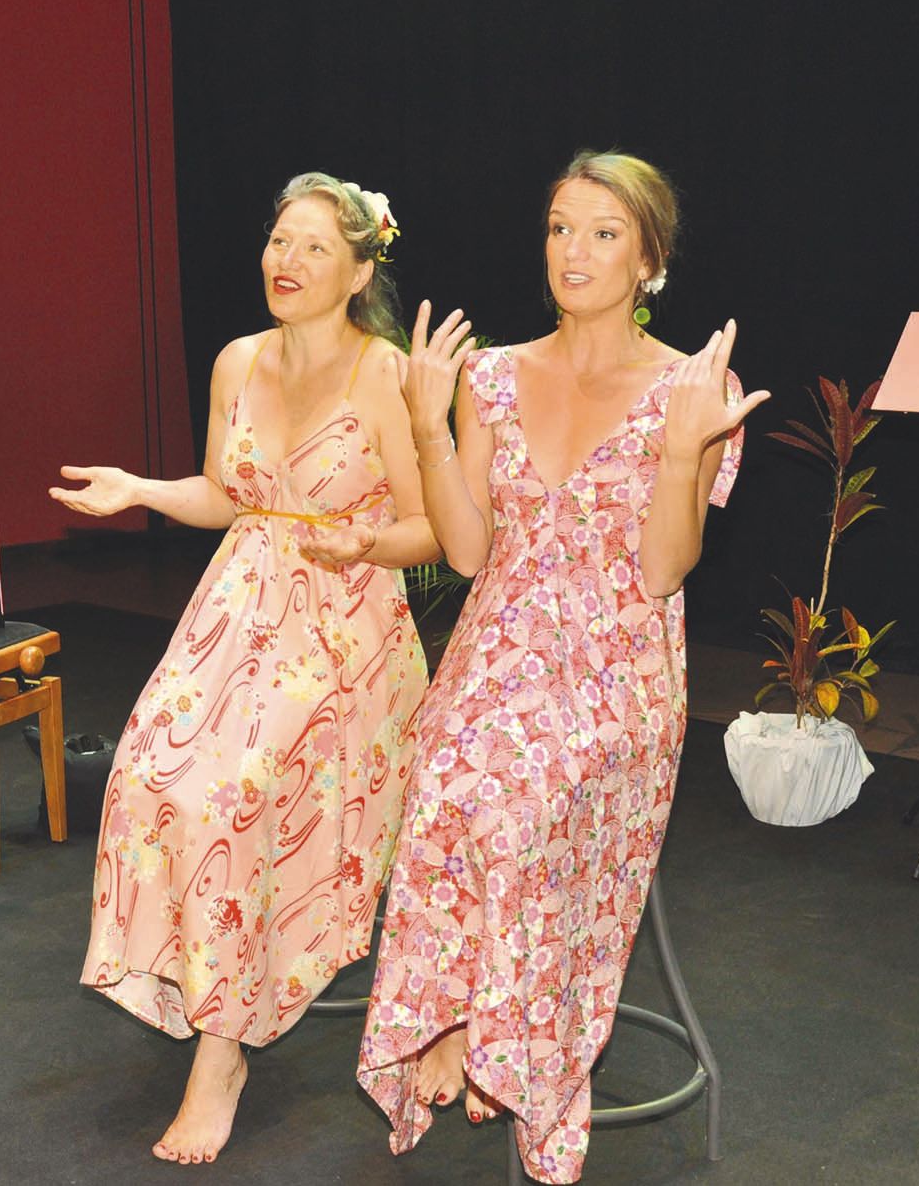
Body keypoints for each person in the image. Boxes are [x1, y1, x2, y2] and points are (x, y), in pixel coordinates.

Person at [355, 152, 767, 1183]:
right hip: (499, 650)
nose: (572, 252)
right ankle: (461, 1014)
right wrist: (426, 421)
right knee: (450, 769)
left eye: (601, 232)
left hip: (616, 668)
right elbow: (462, 550)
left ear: (648, 259)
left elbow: (666, 568)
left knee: (524, 791)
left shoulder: (692, 389)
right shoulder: (491, 376)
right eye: (557, 227)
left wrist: (682, 452)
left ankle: (525, 1057)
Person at [52, 173, 436, 1165]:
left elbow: (436, 525)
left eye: (312, 246)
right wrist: (139, 487)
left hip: (346, 630)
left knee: (230, 798)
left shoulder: (385, 374)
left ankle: (219, 1052)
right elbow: (227, 496)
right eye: (277, 239)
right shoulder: (235, 359)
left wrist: (367, 549)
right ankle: (202, 978)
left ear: (358, 270)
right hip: (239, 609)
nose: (286, 259)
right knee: (145, 773)